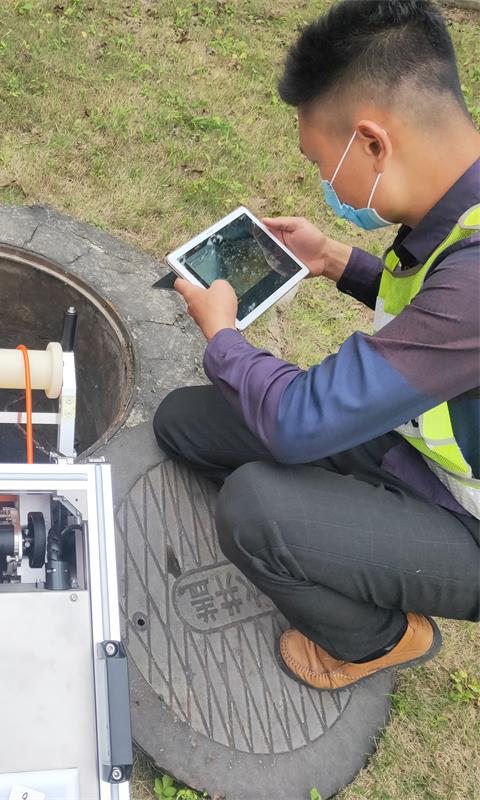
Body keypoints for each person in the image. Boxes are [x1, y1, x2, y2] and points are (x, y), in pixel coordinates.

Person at [153, 0, 480, 691]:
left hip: (469, 517)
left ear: (371, 144)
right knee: (187, 423)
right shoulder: (461, 205)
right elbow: (439, 326)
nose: (324, 184)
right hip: (422, 440)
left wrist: (223, 335)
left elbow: (302, 422)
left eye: (321, 163)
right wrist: (337, 259)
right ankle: (354, 521)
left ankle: (382, 638)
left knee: (254, 508)